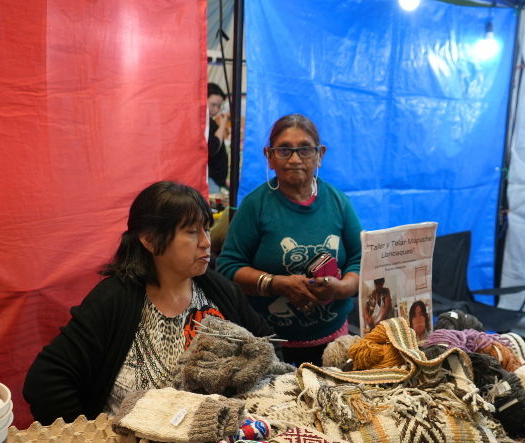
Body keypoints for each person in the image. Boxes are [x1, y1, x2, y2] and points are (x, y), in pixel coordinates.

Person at [24, 182, 274, 425]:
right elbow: (45, 382)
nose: (206, 242)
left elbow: (267, 347)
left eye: (206, 229)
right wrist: (88, 436)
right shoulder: (115, 299)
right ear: (150, 240)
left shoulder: (220, 291)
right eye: (191, 232)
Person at [218, 114, 363, 366]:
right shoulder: (255, 206)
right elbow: (228, 268)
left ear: (319, 155)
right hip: (268, 345)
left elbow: (361, 260)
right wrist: (278, 284)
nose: (295, 159)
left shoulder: (338, 203)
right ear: (269, 156)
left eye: (305, 149)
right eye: (284, 150)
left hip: (332, 344)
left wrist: (341, 288)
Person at [207, 83, 230, 193]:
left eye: (219, 106)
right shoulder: (203, 124)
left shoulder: (209, 122)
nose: (216, 110)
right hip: (210, 179)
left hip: (215, 180)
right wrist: (222, 125)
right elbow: (213, 147)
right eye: (213, 105)